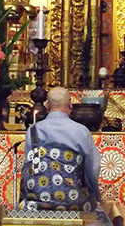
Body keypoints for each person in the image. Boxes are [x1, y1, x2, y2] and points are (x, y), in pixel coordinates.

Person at [20, 87, 111, 224]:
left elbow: (28, 167)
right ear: (70, 104)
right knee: (101, 218)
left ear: (46, 105)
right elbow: (92, 168)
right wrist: (94, 194)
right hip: (74, 202)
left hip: (37, 203)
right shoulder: (81, 131)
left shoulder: (33, 131)